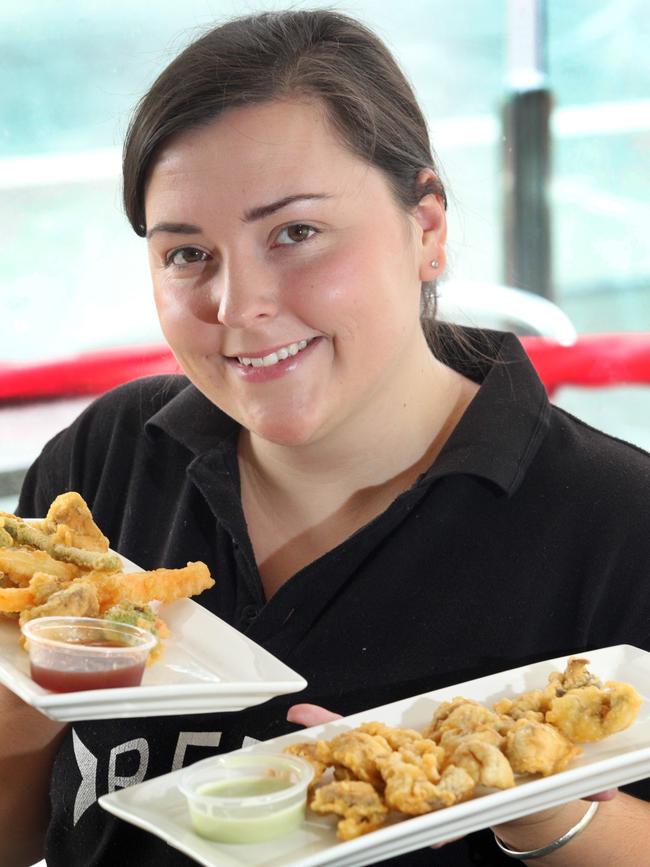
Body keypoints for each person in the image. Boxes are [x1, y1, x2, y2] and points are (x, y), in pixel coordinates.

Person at [3, 9, 649, 866]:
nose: (239, 308)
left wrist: (530, 807)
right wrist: (14, 726)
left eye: (295, 233)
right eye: (188, 253)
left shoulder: (617, 523)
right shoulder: (108, 464)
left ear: (427, 228)